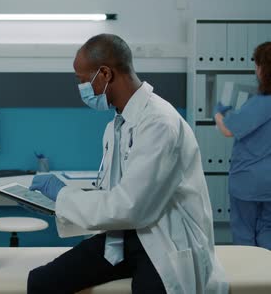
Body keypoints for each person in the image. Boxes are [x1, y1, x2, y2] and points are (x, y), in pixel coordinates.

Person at [28, 34, 228, 293]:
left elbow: (131, 206)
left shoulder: (159, 122)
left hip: (165, 238)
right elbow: (116, 196)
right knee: (42, 281)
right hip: (126, 235)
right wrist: (60, 202)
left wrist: (63, 195)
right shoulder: (117, 125)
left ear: (105, 74)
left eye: (81, 80)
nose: (80, 88)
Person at [214, 41, 271, 249]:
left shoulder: (260, 102)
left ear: (262, 69)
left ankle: (250, 279)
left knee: (244, 232)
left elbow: (228, 129)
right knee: (267, 230)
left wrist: (219, 114)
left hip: (248, 183)